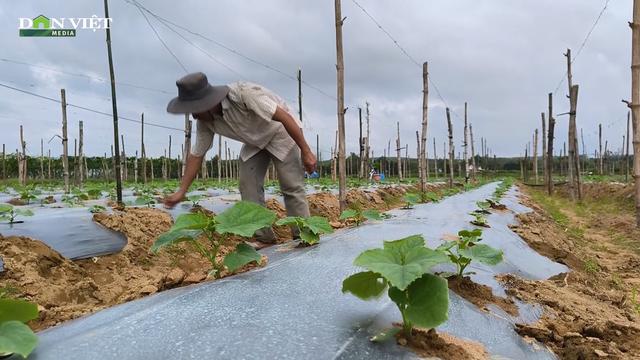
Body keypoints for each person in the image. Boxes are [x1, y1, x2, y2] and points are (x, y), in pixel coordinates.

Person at [163, 72, 316, 243]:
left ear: (208, 102)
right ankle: (263, 237)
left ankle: (304, 235)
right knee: (247, 184)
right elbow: (196, 155)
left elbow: (284, 117)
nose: (194, 116)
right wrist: (181, 191)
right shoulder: (205, 122)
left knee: (291, 185)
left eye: (195, 109)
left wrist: (306, 151)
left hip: (280, 132)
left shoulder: (244, 94)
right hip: (254, 141)